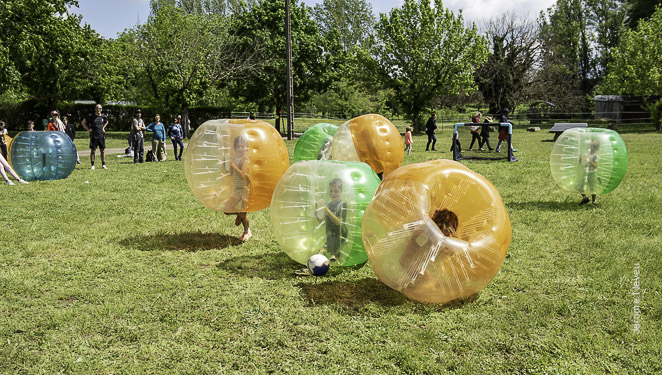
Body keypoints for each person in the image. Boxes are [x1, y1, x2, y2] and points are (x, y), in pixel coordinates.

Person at [294, 178, 348, 276]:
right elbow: (323, 221)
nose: (333, 194)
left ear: (342, 192)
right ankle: (333, 256)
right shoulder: (329, 204)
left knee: (322, 250)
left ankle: (311, 269)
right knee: (331, 253)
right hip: (331, 233)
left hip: (340, 234)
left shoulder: (342, 204)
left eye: (336, 191)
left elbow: (339, 222)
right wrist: (317, 213)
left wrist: (327, 211)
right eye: (331, 191)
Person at [398, 209, 459, 289]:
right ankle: (410, 289)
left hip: (413, 261)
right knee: (430, 283)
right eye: (448, 232)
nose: (449, 235)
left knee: (429, 281)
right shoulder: (424, 233)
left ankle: (410, 284)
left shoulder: (431, 232)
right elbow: (405, 258)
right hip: (407, 261)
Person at [224, 135, 251, 241]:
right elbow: (231, 173)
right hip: (236, 189)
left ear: (246, 148)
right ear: (234, 148)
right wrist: (227, 165)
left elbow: (243, 175)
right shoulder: (234, 159)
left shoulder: (246, 160)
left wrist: (233, 165)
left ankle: (247, 232)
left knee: (244, 214)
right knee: (227, 210)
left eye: (242, 147)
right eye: (238, 147)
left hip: (245, 189)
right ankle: (239, 215)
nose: (240, 149)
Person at [81, 103, 109, 170]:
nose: (98, 110)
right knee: (93, 151)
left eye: (99, 108)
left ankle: (103, 164)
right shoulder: (91, 116)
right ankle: (92, 165)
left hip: (101, 136)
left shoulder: (103, 116)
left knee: (102, 150)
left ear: (101, 109)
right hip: (94, 136)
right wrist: (88, 129)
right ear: (95, 109)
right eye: (97, 108)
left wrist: (103, 128)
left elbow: (107, 122)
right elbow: (83, 122)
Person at [578, 139, 600, 205]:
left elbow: (596, 165)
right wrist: (580, 158)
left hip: (592, 173)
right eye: (590, 145)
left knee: (592, 188)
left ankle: (593, 201)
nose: (590, 147)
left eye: (592, 146)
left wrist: (590, 162)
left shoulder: (595, 156)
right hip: (585, 173)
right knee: (580, 186)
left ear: (595, 148)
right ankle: (585, 198)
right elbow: (582, 163)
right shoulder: (586, 154)